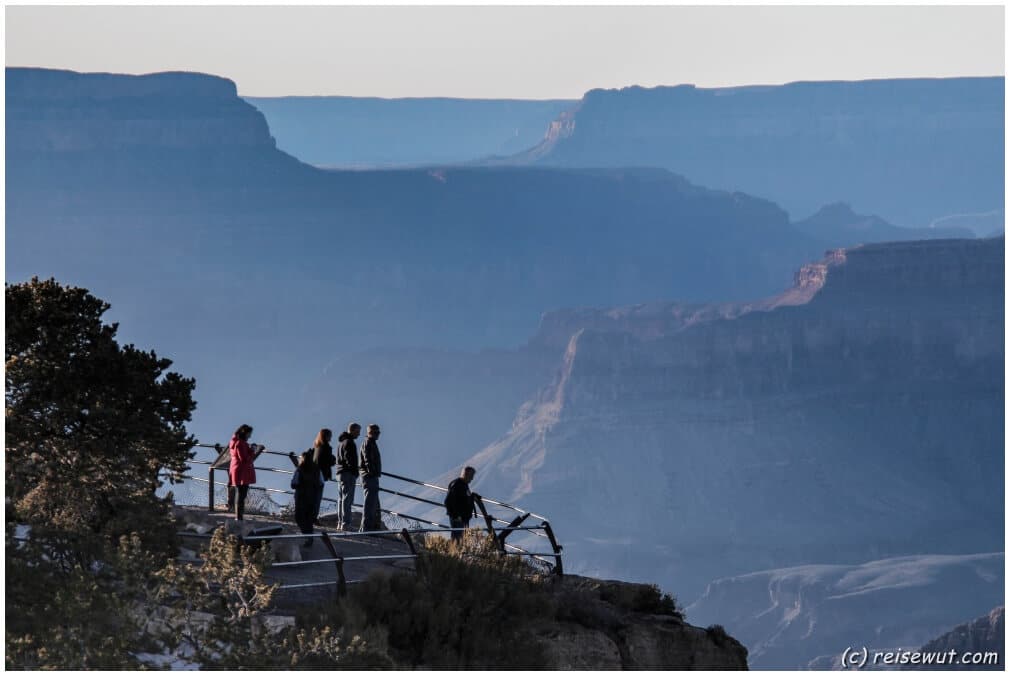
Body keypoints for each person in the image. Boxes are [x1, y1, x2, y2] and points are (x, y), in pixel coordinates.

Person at [290, 449, 323, 546]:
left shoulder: (300, 470)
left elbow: (293, 484)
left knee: (299, 518)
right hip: (313, 498)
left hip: (301, 497)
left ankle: (307, 535)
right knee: (309, 519)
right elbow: (321, 483)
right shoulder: (317, 469)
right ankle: (309, 536)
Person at [228, 424, 262, 520]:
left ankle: (238, 516)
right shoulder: (240, 443)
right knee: (241, 495)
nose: (250, 436)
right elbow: (244, 459)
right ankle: (239, 517)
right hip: (242, 472)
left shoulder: (234, 442)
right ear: (245, 433)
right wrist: (252, 450)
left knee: (240, 494)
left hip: (237, 470)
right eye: (249, 434)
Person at [335, 423, 361, 531]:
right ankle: (346, 523)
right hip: (348, 474)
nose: (359, 434)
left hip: (340, 473)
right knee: (347, 499)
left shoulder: (341, 443)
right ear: (353, 430)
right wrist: (355, 472)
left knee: (341, 499)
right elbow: (350, 460)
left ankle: (340, 522)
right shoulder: (349, 443)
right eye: (358, 431)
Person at [358, 423, 382, 531]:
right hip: (369, 477)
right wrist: (373, 472)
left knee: (374, 503)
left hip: (370, 476)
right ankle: (366, 528)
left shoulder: (371, 443)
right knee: (370, 503)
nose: (378, 434)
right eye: (376, 432)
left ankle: (373, 527)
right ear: (370, 433)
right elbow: (368, 460)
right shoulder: (368, 443)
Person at [445, 466, 477, 542]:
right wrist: (456, 516)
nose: (472, 479)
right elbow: (448, 502)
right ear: (466, 475)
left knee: (462, 539)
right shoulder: (457, 485)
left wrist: (472, 497)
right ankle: (455, 553)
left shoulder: (463, 484)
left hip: (463, 518)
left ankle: (458, 552)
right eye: (471, 476)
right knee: (458, 539)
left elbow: (464, 497)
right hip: (459, 519)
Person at [311, 428, 335, 524]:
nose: (331, 438)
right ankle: (313, 517)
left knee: (313, 496)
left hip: (314, 473)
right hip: (320, 475)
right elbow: (327, 461)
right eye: (330, 436)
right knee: (317, 497)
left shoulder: (317, 446)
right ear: (327, 436)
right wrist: (333, 459)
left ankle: (310, 516)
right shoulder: (326, 447)